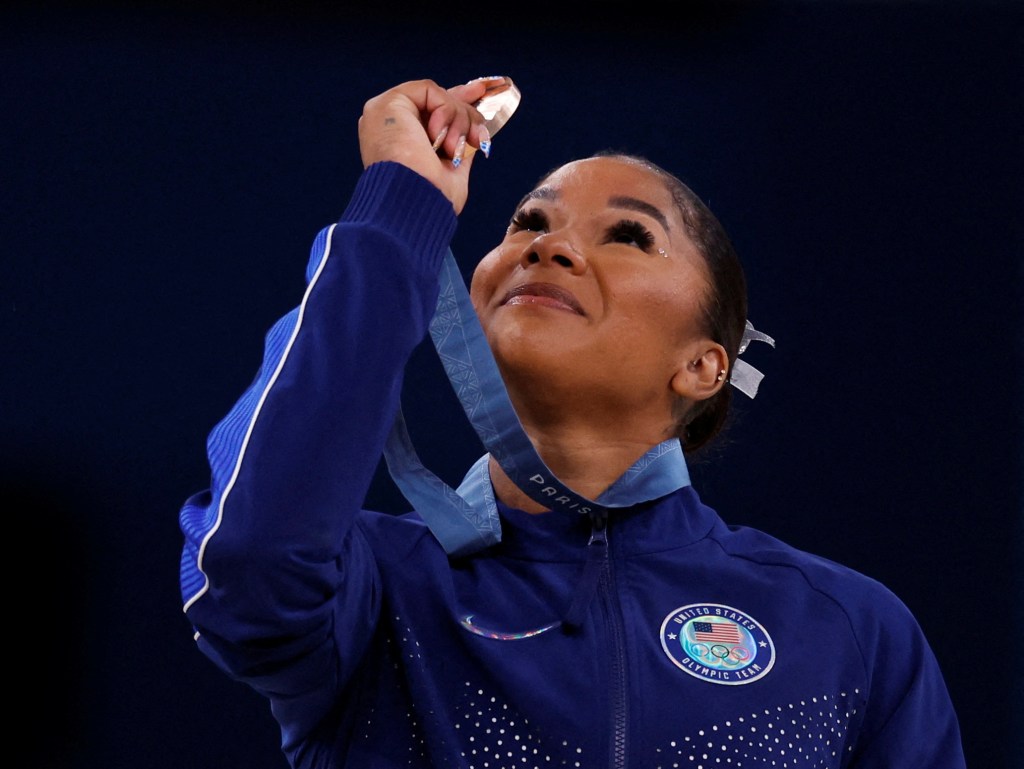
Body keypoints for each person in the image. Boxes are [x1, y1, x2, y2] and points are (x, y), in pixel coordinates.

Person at [178, 76, 965, 769]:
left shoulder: (848, 632)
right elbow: (247, 565)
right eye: (526, 222)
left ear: (703, 364)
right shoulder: (379, 587)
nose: (550, 247)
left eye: (629, 235)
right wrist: (398, 208)